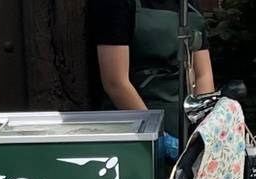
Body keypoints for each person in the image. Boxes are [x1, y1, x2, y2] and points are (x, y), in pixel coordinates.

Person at [89, 0, 216, 150]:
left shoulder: (189, 5)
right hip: (133, 128)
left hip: (185, 124)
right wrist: (155, 135)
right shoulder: (115, 4)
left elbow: (203, 75)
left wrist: (204, 129)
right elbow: (115, 83)